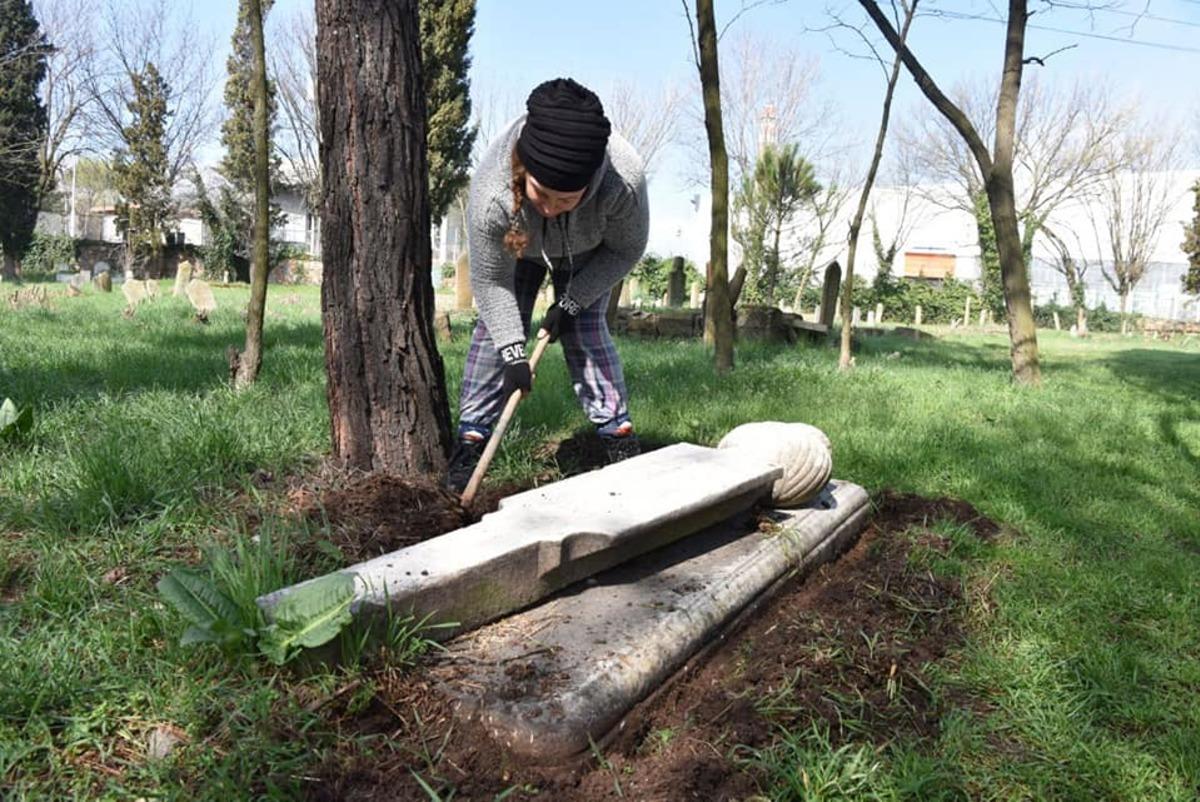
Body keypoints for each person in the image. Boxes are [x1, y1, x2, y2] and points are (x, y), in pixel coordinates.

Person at [446, 77, 649, 493]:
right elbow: (489, 279)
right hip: (518, 243)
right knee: (494, 334)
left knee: (586, 332)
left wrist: (572, 304)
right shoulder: (493, 191)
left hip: (590, 250)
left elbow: (625, 251)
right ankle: (471, 440)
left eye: (566, 199)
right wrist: (513, 353)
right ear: (525, 171)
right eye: (543, 194)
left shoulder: (622, 183)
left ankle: (618, 435)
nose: (553, 209)